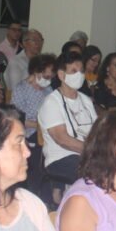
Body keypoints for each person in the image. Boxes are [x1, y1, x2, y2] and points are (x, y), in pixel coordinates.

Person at [38, 52, 97, 185]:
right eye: (73, 71)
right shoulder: (52, 102)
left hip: (88, 154)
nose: (79, 75)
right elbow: (62, 139)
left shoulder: (86, 100)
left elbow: (97, 130)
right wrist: (93, 151)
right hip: (61, 157)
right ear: (61, 75)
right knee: (95, 172)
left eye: (81, 71)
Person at [11, 53, 57, 200]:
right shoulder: (21, 89)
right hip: (28, 132)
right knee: (37, 155)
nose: (47, 80)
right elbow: (16, 117)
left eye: (50, 77)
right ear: (36, 72)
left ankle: (48, 195)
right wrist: (38, 125)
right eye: (45, 76)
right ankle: (33, 194)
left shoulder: (48, 91)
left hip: (45, 133)